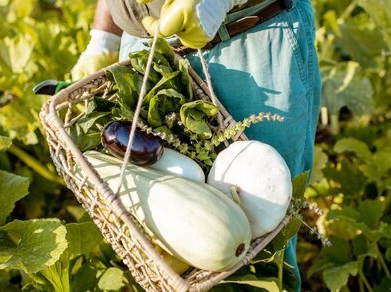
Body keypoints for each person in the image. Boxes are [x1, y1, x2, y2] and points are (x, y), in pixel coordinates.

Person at [72, 0, 321, 290]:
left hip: (249, 37)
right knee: (159, 259)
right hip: (145, 51)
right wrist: (105, 37)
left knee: (261, 247)